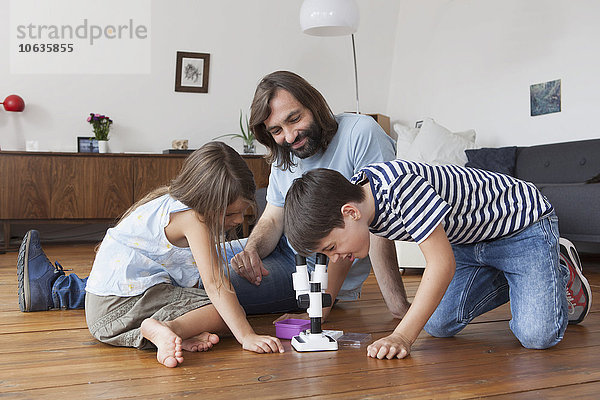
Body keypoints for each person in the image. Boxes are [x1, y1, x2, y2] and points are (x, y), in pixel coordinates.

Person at [17, 71, 410, 321]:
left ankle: (60, 291)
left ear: (315, 105)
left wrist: (396, 304)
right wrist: (252, 248)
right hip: (281, 249)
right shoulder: (286, 154)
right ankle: (63, 287)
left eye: (295, 119)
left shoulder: (361, 135)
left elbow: (378, 222)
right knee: (183, 262)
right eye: (277, 131)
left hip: (317, 266)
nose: (289, 137)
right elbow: (273, 218)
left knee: (201, 284)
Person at [283, 161, 592, 359]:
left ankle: (556, 265)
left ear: (350, 213)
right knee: (438, 324)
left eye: (332, 246)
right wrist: (318, 314)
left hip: (521, 227)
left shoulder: (401, 189)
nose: (336, 256)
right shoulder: (357, 201)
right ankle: (522, 275)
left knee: (538, 337)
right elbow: (340, 259)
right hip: (468, 242)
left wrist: (403, 335)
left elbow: (441, 265)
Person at [17, 142, 284, 368]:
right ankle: (169, 329)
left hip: (107, 310)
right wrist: (247, 336)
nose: (238, 220)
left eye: (243, 211)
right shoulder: (193, 219)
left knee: (225, 316)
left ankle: (169, 334)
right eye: (230, 214)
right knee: (225, 312)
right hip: (117, 308)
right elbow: (216, 284)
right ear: (206, 202)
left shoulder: (174, 204)